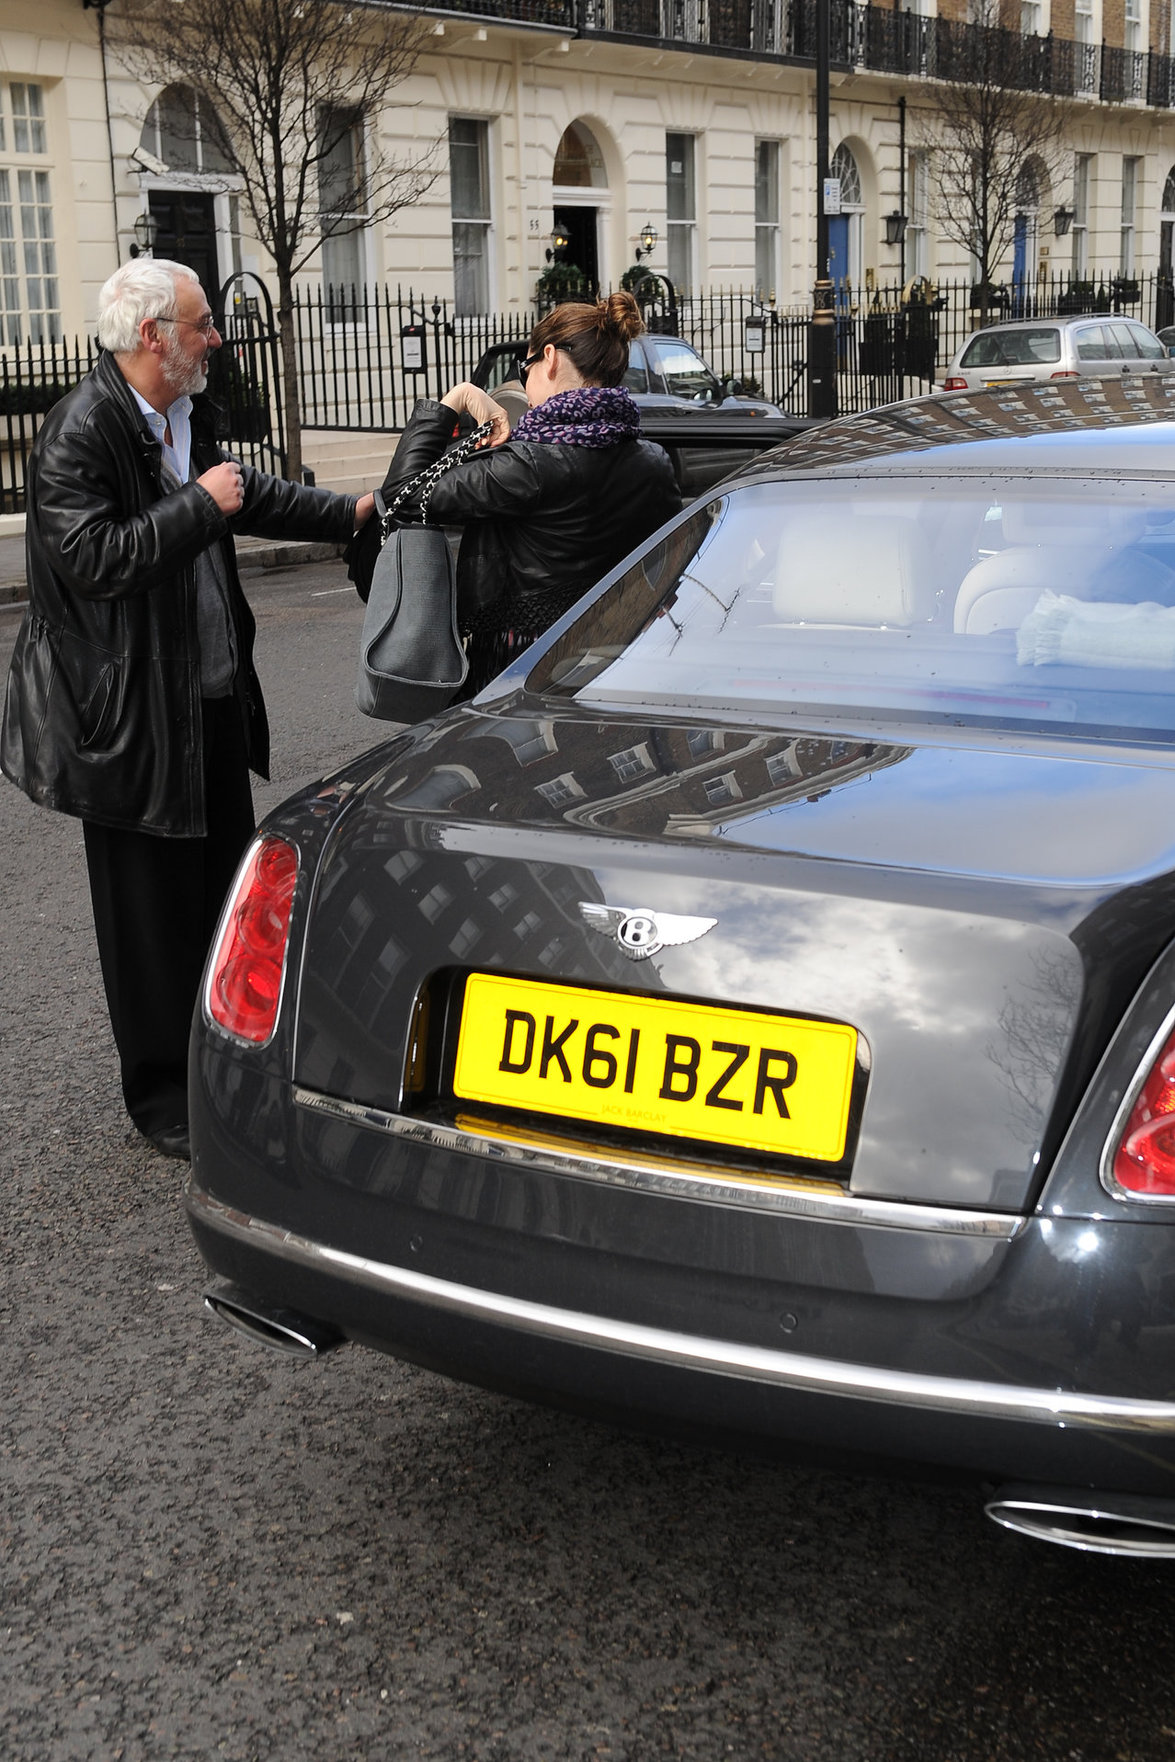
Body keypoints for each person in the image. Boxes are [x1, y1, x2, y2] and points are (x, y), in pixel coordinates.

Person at [1, 259, 374, 1161]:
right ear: (151, 336)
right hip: (127, 718)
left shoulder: (182, 414)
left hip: (200, 699)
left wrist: (352, 512)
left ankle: (221, 1066)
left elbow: (253, 493)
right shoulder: (79, 430)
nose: (217, 337)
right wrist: (197, 507)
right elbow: (93, 559)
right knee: (146, 921)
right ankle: (162, 1098)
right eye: (203, 323)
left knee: (216, 902)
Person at [365, 291, 681, 694]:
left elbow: (403, 497)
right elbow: (672, 570)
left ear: (548, 358)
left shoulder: (530, 463)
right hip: (620, 660)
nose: (524, 381)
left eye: (525, 366)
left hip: (525, 666)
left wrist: (457, 398)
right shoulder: (653, 461)